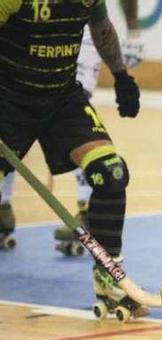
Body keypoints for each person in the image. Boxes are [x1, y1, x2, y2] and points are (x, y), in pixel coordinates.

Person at [0, 0, 144, 318]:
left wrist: (121, 76)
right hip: (8, 99)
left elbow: (102, 29)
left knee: (111, 173)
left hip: (62, 99)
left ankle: (110, 280)